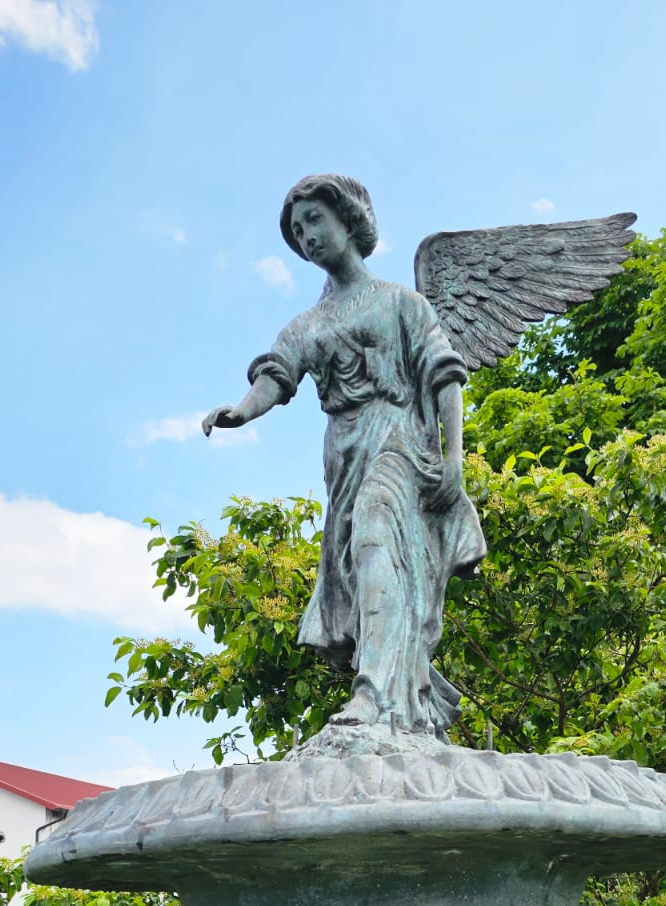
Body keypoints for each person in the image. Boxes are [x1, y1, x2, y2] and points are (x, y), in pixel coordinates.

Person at [202, 174, 485, 737]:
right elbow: (276, 377)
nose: (307, 235)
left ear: (349, 220)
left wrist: (454, 457)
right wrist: (240, 411)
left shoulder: (402, 303)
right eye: (297, 229)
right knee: (363, 564)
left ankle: (373, 693)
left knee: (377, 539)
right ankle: (404, 690)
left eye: (315, 220)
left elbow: (444, 376)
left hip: (400, 440)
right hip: (344, 453)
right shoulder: (308, 325)